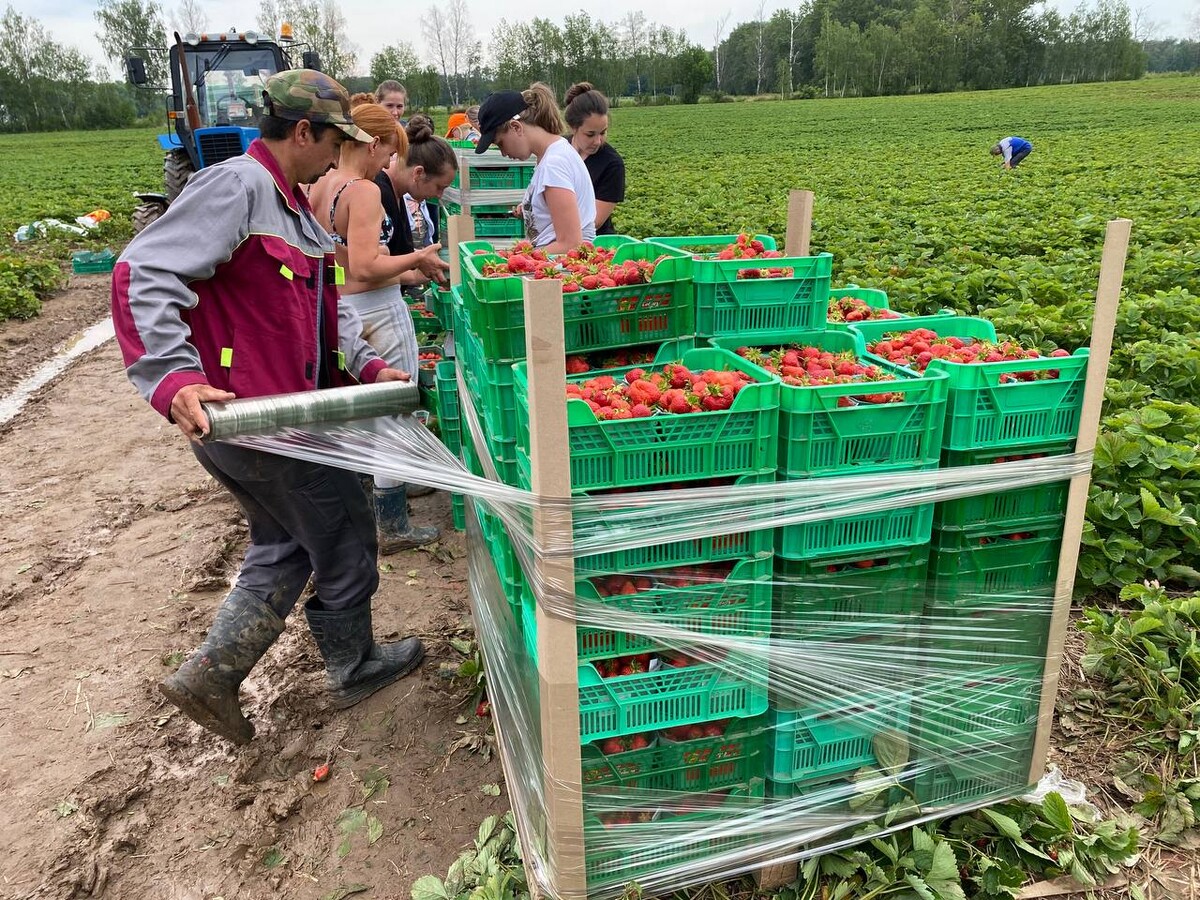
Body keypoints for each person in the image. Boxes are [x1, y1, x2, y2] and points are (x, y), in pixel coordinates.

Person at [111, 70, 426, 746]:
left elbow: (319, 315)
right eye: (333, 139)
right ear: (304, 132)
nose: (339, 153)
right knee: (343, 527)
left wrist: (367, 364)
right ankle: (355, 664)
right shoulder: (239, 189)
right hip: (261, 421)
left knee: (285, 542)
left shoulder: (290, 204)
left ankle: (211, 674)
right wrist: (174, 380)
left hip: (277, 418)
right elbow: (141, 271)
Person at [307, 96, 449, 552]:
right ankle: (393, 522)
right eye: (389, 153)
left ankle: (368, 504)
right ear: (371, 145)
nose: (390, 163)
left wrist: (402, 264)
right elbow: (368, 266)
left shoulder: (322, 185)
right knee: (395, 409)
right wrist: (419, 257)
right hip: (378, 308)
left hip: (343, 310)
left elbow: (342, 259)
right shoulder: (364, 191)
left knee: (363, 410)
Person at [476, 84, 596, 252]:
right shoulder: (552, 156)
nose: (503, 153)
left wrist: (516, 260)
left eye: (500, 144)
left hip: (561, 269)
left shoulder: (554, 164)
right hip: (552, 266)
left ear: (516, 127)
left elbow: (570, 244)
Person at [378, 115, 459, 292]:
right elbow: (366, 267)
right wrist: (417, 263)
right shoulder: (378, 194)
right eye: (439, 187)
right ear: (418, 173)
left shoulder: (396, 192)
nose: (439, 195)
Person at [563, 82, 625, 236]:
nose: (598, 141)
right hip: (556, 238)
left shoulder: (612, 164)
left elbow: (594, 221)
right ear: (573, 127)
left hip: (595, 247)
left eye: (603, 132)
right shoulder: (558, 150)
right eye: (590, 134)